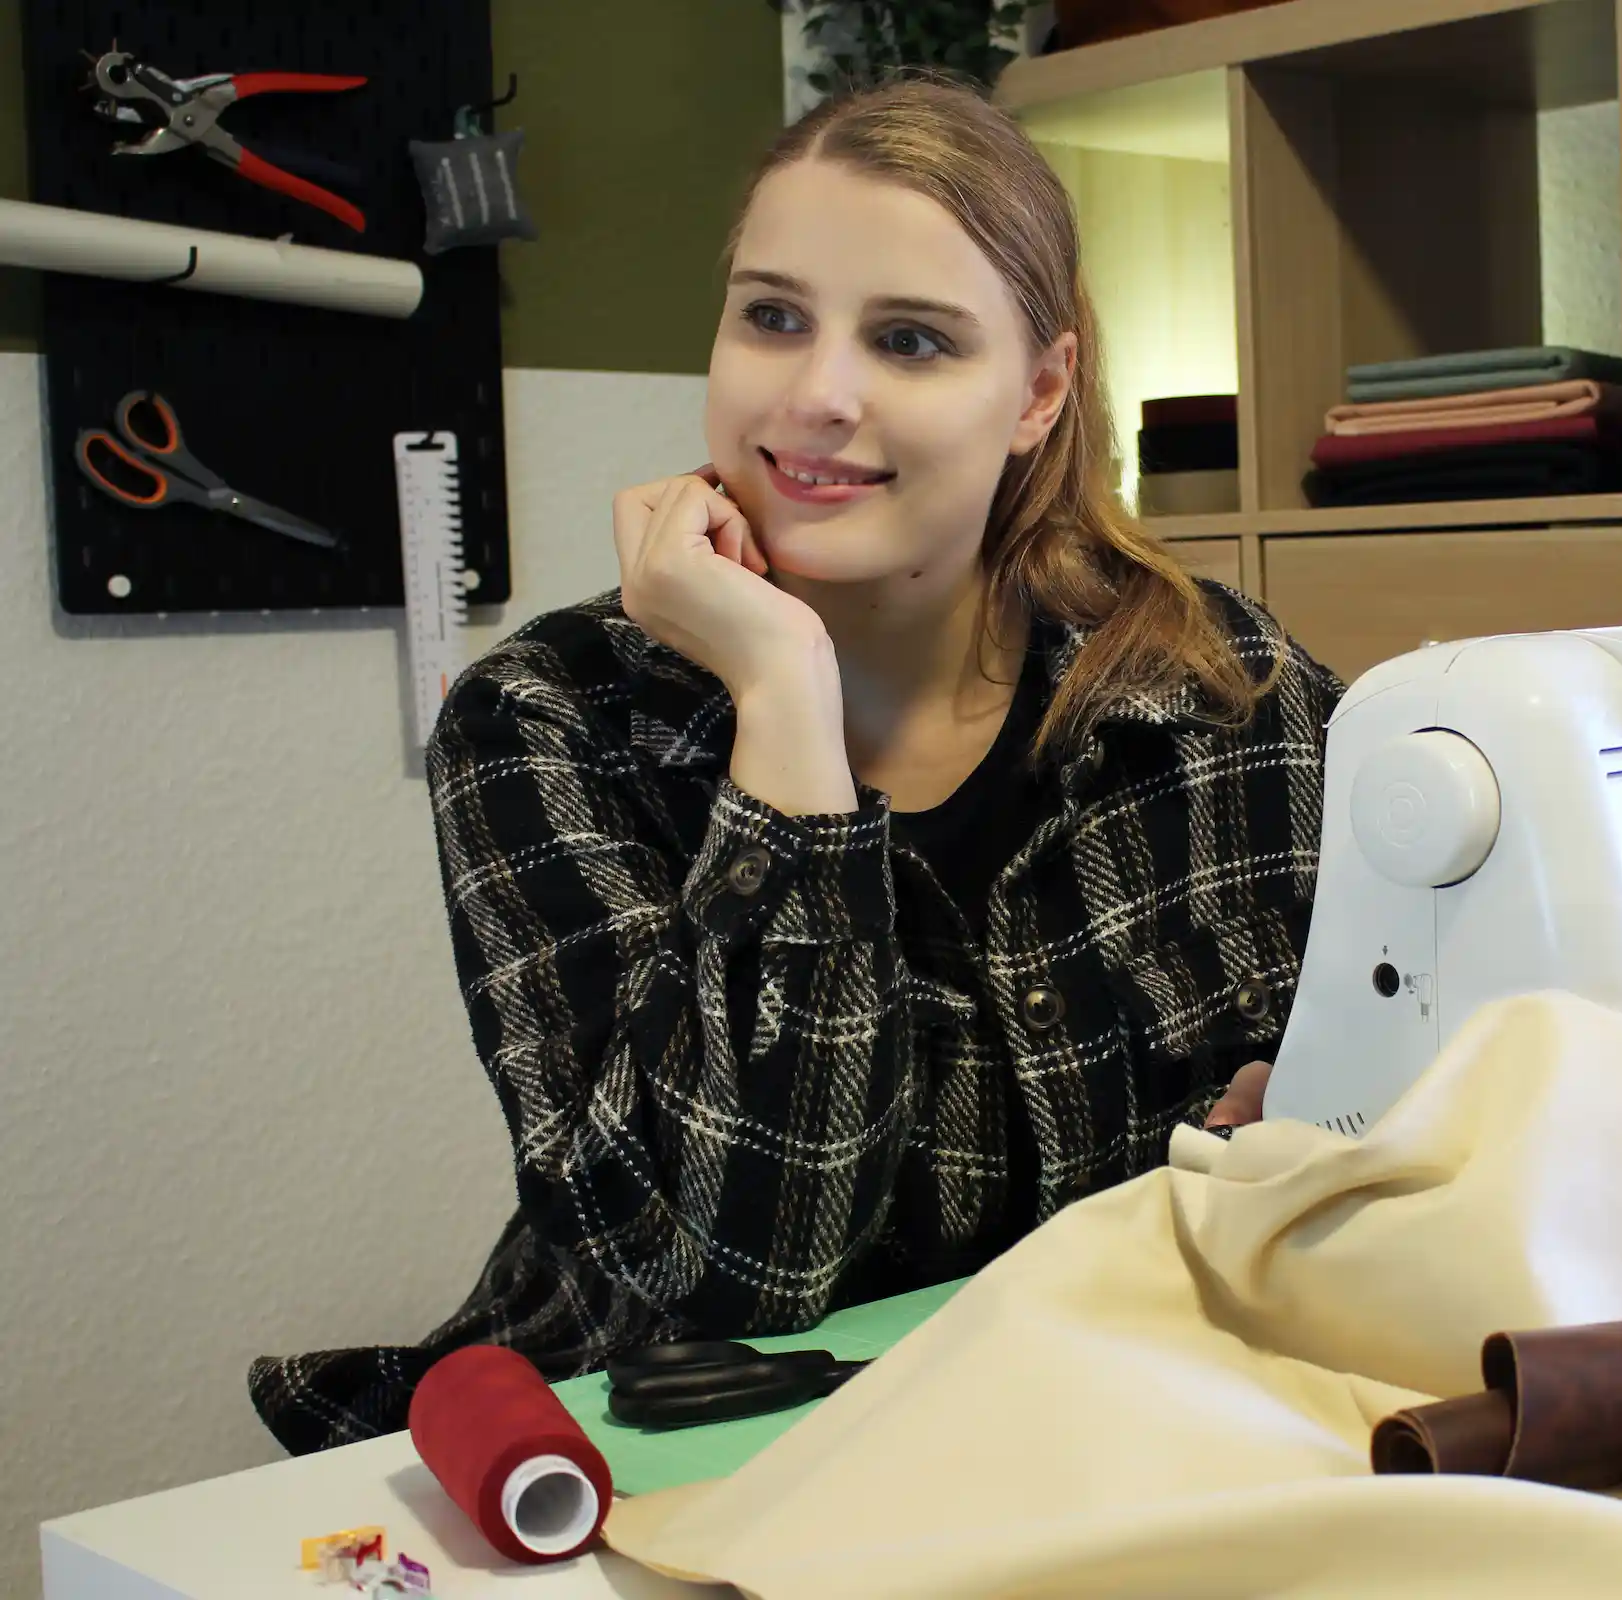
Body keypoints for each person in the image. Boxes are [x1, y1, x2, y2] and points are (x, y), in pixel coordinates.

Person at [248, 73, 1343, 1452]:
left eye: (910, 341)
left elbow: (1452, 1066)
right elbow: (737, 1275)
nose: (817, 395)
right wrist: (781, 699)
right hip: (666, 1459)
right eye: (773, 316)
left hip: (1106, 1437)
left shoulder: (1220, 688)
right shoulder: (544, 721)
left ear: (1039, 391)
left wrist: (1334, 1117)